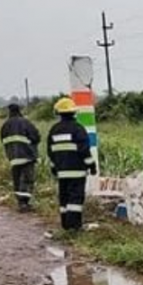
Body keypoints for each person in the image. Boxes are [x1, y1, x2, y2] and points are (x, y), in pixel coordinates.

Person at [47, 98, 96, 231]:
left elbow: (50, 151)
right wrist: (91, 165)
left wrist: (53, 167)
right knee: (75, 198)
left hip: (61, 171)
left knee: (64, 198)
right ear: (74, 112)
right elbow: (84, 150)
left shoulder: (54, 130)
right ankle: (74, 226)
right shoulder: (78, 129)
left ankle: (65, 225)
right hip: (77, 171)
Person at [0, 103, 41, 211]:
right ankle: (24, 203)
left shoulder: (5, 125)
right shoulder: (25, 122)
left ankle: (19, 202)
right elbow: (36, 137)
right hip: (27, 155)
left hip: (13, 158)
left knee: (17, 180)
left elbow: (3, 141)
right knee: (27, 180)